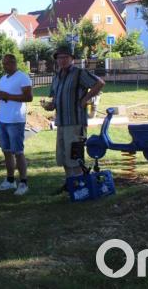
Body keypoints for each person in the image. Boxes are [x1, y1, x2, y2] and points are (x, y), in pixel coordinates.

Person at [42, 46, 105, 194]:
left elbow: (100, 83)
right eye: (59, 58)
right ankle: (70, 184)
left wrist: (86, 99)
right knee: (63, 156)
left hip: (75, 122)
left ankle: (79, 186)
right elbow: (55, 97)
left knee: (74, 157)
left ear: (72, 59)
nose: (62, 60)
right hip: (61, 122)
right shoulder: (57, 76)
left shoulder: (79, 73)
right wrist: (51, 105)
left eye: (65, 57)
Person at [0, 54, 34, 196]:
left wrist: (7, 96)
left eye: (8, 63)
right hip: (3, 119)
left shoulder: (22, 77)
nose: (5, 66)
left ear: (14, 63)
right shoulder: (3, 78)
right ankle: (10, 180)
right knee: (6, 151)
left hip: (16, 120)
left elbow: (29, 97)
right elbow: (2, 98)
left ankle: (24, 182)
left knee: (18, 152)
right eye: (3, 63)